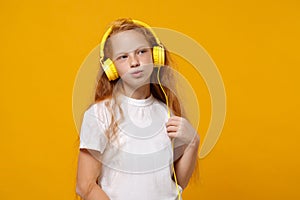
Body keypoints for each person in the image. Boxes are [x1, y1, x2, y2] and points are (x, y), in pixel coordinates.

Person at [76, 18, 200, 200]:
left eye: (141, 52)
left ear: (155, 55)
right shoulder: (100, 114)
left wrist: (193, 142)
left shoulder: (166, 113)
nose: (134, 62)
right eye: (123, 57)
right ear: (112, 68)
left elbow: (176, 183)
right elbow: (84, 186)